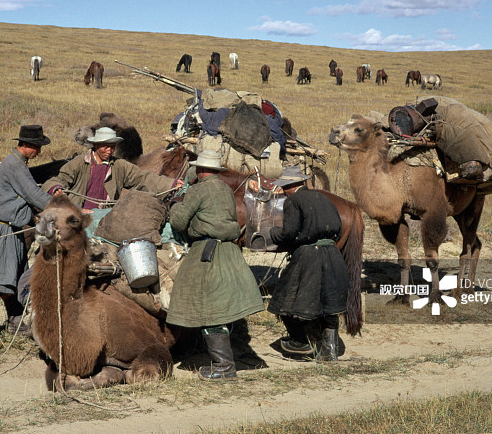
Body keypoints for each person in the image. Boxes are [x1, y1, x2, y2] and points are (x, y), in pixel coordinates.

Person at [166, 150, 264, 381]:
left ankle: (224, 366)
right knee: (221, 307)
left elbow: (179, 222)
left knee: (209, 309)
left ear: (199, 170)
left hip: (207, 252)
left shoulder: (197, 190)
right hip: (229, 250)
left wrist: (174, 205)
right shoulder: (225, 189)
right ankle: (227, 358)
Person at [0, 125, 53, 350]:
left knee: (13, 275)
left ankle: (15, 322)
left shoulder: (18, 164)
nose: (39, 151)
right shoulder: (14, 165)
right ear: (27, 145)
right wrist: (62, 207)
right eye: (37, 147)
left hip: (11, 231)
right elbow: (34, 195)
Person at [267, 168, 349, 362]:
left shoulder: (293, 200)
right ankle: (329, 352)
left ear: (292, 186)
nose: (284, 190)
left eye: (285, 187)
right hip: (332, 254)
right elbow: (337, 229)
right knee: (328, 304)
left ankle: (300, 343)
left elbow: (289, 232)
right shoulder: (324, 198)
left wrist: (274, 233)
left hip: (309, 255)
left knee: (284, 299)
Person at [42, 126, 182, 207]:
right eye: (105, 147)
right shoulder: (79, 163)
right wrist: (56, 189)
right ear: (95, 145)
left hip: (105, 216)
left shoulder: (119, 166)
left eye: (112, 147)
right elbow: (58, 179)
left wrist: (171, 184)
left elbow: (142, 178)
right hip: (77, 214)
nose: (109, 150)